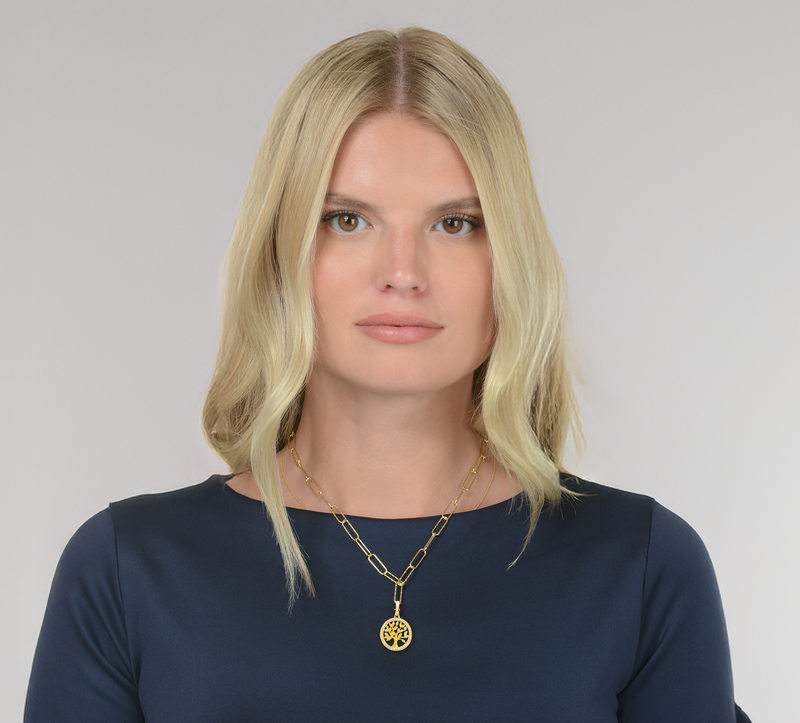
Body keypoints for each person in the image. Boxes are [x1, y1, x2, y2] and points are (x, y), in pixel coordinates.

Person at [24, 27, 750, 722]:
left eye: (455, 223)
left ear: (511, 259)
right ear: (280, 252)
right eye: (348, 220)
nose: (402, 273)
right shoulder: (128, 571)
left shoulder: (640, 567)